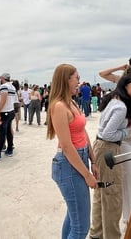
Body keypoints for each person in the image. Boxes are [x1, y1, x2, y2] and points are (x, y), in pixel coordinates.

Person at [47, 64, 98, 239]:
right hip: (69, 165)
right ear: (66, 79)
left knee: (73, 217)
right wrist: (87, 175)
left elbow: (83, 133)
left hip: (79, 160)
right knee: (81, 227)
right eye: (76, 77)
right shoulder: (59, 106)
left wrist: (93, 160)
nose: (79, 81)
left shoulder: (72, 102)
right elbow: (67, 147)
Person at [89, 73, 131, 239]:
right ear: (125, 86)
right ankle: (111, 235)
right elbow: (108, 134)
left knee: (102, 192)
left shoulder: (115, 101)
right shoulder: (121, 107)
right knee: (113, 196)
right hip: (109, 149)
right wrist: (129, 132)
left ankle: (96, 233)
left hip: (101, 148)